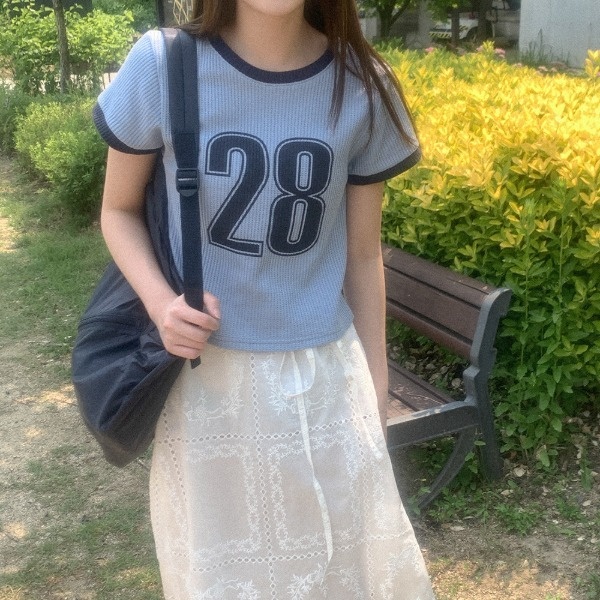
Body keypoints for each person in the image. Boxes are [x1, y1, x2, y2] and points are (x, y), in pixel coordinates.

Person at [93, 0, 436, 597]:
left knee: (343, 568)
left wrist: (375, 393)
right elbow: (118, 211)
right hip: (208, 385)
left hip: (328, 381)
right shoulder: (164, 65)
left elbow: (362, 257)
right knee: (225, 576)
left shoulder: (362, 83)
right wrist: (161, 304)